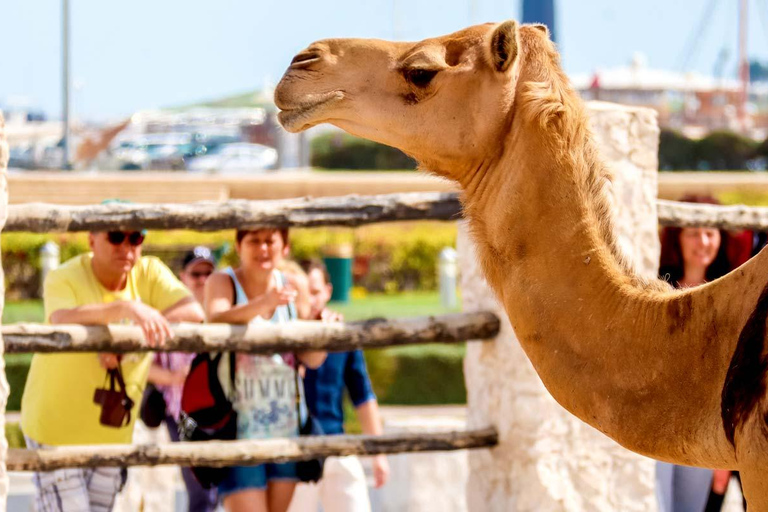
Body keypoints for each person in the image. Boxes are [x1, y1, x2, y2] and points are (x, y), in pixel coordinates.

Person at [20, 225, 205, 512]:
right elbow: (61, 318)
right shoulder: (64, 275)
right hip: (55, 428)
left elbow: (194, 312)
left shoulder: (149, 271)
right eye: (116, 237)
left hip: (112, 431)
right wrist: (125, 310)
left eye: (136, 237)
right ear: (91, 239)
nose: (127, 246)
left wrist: (130, 335)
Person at [204, 228, 326, 512]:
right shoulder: (223, 281)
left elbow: (311, 358)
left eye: (270, 241)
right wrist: (264, 304)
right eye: (254, 241)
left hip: (286, 427)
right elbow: (215, 318)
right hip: (237, 430)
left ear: (284, 246)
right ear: (238, 245)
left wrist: (322, 327)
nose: (262, 249)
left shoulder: (295, 284)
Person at [656, 194, 753, 512]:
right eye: (693, 232)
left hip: (701, 432)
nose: (703, 241)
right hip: (654, 424)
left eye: (710, 232)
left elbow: (731, 381)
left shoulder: (730, 299)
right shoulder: (657, 293)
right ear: (677, 239)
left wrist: (722, 458)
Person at [288, 259, 390, 512]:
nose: (310, 300)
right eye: (303, 293)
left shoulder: (342, 334)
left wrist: (378, 453)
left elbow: (362, 394)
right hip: (294, 450)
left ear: (327, 292)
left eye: (315, 292)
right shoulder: (281, 332)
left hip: (337, 444)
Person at [147, 246, 218, 512]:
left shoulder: (223, 310)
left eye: (208, 274)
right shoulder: (166, 316)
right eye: (195, 273)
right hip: (182, 414)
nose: (202, 280)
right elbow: (142, 366)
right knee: (202, 488)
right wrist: (173, 377)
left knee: (223, 486)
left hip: (221, 412)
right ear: (182, 277)